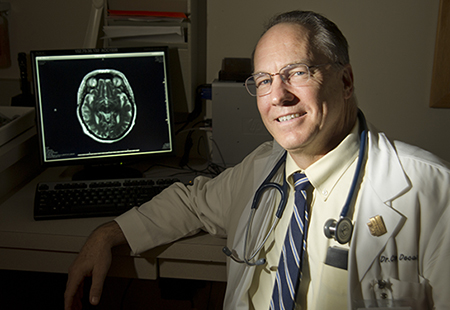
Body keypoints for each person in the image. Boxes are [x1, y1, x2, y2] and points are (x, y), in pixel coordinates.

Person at [64, 10, 450, 310]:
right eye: (264, 80)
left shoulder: (431, 190)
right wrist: (108, 233)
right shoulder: (262, 167)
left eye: (297, 72)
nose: (277, 96)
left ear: (346, 82)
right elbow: (193, 204)